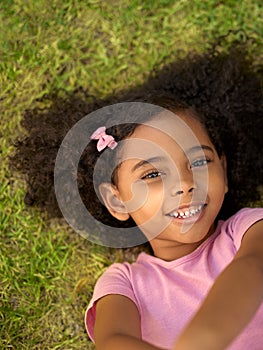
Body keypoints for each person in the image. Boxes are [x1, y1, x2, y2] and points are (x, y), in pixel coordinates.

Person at [10, 34, 263, 349]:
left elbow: (252, 269)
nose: (185, 183)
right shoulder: (124, 283)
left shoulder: (248, 229)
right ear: (117, 200)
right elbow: (114, 340)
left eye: (199, 161)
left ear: (223, 172)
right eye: (154, 173)